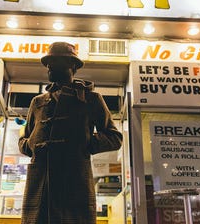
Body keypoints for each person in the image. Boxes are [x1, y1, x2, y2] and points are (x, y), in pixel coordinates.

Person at [18, 42, 123, 224]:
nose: (49, 66)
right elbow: (24, 140)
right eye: (48, 63)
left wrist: (83, 144)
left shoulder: (90, 99)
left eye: (55, 61)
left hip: (74, 183)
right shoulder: (38, 102)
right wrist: (33, 145)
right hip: (40, 183)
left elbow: (114, 137)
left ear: (72, 65)